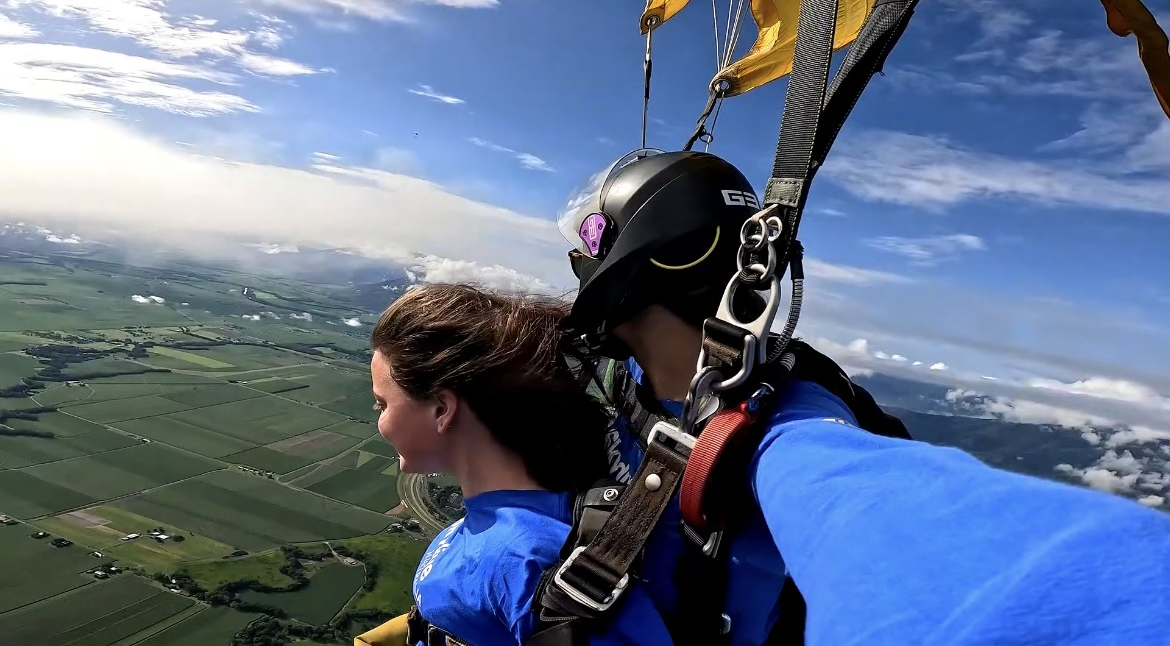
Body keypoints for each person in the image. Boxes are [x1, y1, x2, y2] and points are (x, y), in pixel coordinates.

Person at [538, 147, 1170, 646]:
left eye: (589, 240)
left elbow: (907, 531)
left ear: (643, 259)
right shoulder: (635, 386)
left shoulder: (785, 435)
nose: (578, 262)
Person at [367, 283, 676, 646]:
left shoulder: (520, 558)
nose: (380, 419)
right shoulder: (523, 520)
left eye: (382, 404)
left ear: (441, 409)